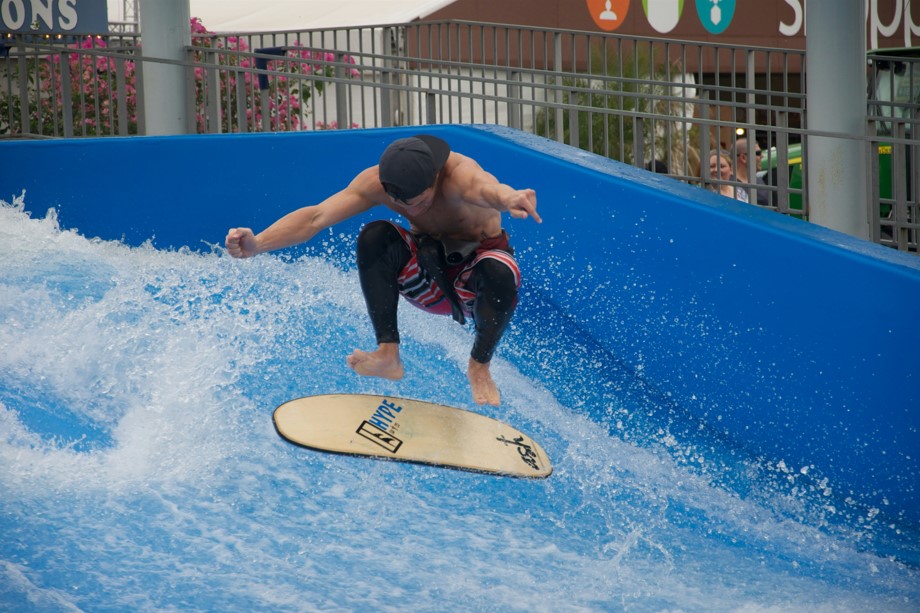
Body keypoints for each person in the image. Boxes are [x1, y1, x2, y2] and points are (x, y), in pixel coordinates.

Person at [225, 134, 541, 406]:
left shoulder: (458, 174)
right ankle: (388, 354)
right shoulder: (377, 182)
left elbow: (489, 190)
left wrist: (511, 197)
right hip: (429, 279)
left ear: (433, 178)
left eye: (419, 202)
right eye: (401, 204)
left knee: (500, 271)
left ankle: (479, 365)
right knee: (375, 235)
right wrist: (258, 244)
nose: (411, 211)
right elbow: (315, 218)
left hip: (474, 284)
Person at [733, 138, 770, 206]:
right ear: (743, 158)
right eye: (758, 153)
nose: (762, 156)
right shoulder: (729, 183)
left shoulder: (758, 180)